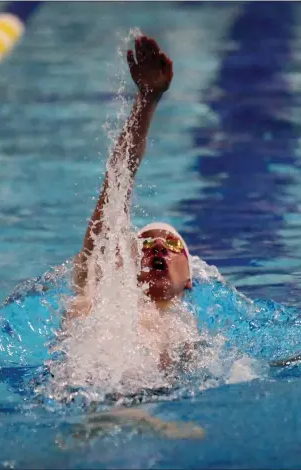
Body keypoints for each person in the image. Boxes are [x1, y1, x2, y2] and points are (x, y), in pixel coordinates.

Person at [68, 35, 197, 372]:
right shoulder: (97, 291)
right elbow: (116, 184)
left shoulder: (191, 342)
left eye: (171, 244)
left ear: (189, 281)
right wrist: (146, 101)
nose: (156, 243)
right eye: (144, 243)